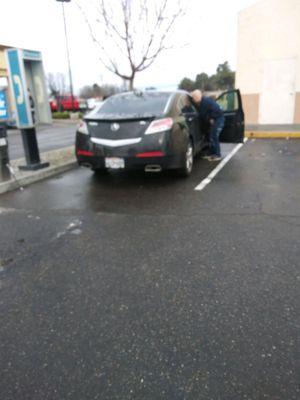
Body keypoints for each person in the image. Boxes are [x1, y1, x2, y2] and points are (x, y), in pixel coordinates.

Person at [191, 89, 224, 161]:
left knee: (214, 137)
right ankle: (212, 153)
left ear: (197, 97)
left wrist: (212, 118)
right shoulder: (202, 102)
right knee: (211, 137)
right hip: (215, 120)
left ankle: (217, 155)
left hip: (218, 119)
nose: (193, 100)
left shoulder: (205, 102)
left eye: (193, 98)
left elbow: (217, 110)